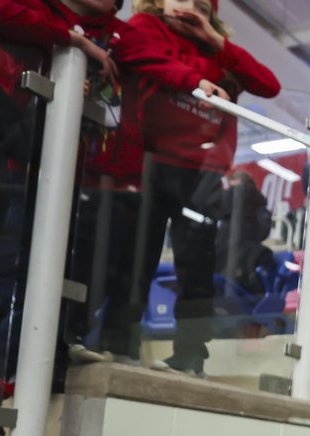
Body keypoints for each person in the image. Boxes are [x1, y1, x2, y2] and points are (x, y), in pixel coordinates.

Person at [110, 0, 280, 376]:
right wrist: (194, 81)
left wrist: (215, 41)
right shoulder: (145, 26)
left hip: (201, 172)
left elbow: (269, 85)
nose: (190, 4)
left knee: (198, 271)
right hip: (149, 162)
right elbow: (130, 52)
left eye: (202, 2)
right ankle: (118, 343)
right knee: (137, 260)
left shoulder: (219, 49)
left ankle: (190, 356)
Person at [0, 0, 123, 436]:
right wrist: (75, 42)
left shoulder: (78, 32)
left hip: (13, 164)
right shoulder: (59, 25)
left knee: (3, 284)